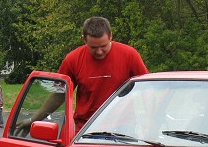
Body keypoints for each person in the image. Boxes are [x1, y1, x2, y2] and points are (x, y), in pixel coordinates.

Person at [16, 16, 148, 134]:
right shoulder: (72, 59)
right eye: (93, 47)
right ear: (84, 39)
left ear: (111, 36)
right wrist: (35, 119)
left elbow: (148, 88)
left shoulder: (129, 55)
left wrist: (154, 120)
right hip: (86, 128)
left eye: (103, 46)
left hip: (123, 127)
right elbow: (59, 94)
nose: (99, 52)